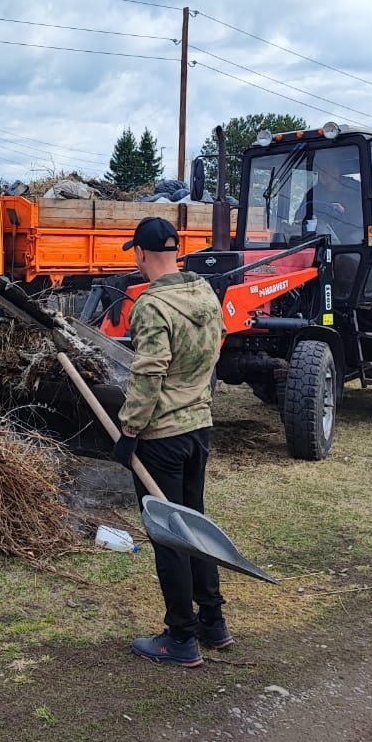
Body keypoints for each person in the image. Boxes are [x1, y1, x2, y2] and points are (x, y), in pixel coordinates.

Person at [111, 216, 229, 667]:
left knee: (169, 537)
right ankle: (213, 622)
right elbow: (216, 346)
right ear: (175, 252)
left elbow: (148, 374)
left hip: (161, 438)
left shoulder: (151, 306)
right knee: (193, 524)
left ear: (140, 254)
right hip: (199, 428)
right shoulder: (204, 292)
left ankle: (180, 638)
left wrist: (129, 431)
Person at [297, 149, 363, 243]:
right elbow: (300, 218)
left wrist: (343, 212)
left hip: (352, 243)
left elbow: (362, 220)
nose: (322, 172)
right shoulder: (313, 193)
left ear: (337, 170)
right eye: (320, 169)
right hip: (319, 241)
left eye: (327, 169)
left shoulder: (354, 189)